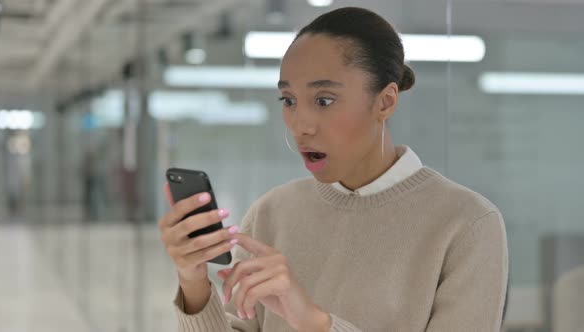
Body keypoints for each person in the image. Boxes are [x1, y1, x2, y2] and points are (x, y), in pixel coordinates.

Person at [158, 7, 508, 332]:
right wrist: (193, 283)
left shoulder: (467, 225)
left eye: (323, 100)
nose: (300, 126)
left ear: (385, 101)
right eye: (289, 101)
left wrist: (316, 322)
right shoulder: (272, 213)